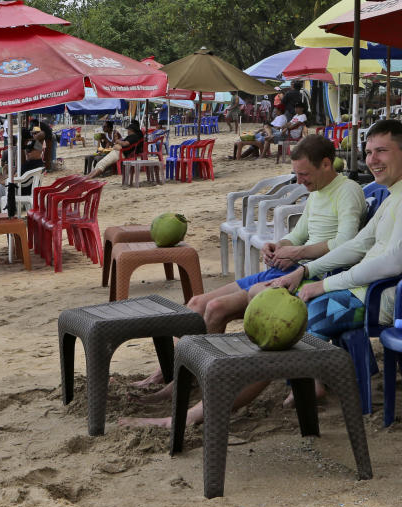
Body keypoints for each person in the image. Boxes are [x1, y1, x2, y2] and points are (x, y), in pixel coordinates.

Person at [122, 120, 402, 427]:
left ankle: (191, 416)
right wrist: (305, 271)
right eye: (369, 151)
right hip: (354, 292)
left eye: (381, 151)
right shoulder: (396, 195)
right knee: (265, 328)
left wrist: (322, 284)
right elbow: (358, 245)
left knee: (275, 336)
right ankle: (201, 397)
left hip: (373, 300)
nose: (372, 159)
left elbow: (392, 263)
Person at [128, 135, 366, 392]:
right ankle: (167, 372)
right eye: (296, 174)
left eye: (304, 174)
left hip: (311, 276)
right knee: (196, 303)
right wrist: (279, 246)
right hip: (288, 268)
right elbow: (297, 235)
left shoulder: (348, 191)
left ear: (327, 165)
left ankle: (190, 382)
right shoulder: (317, 191)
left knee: (217, 308)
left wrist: (297, 253)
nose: (299, 181)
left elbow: (346, 243)